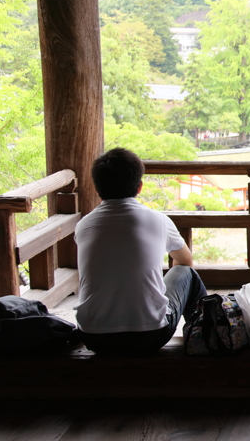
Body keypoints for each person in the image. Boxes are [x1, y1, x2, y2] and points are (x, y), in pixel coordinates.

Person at [74, 148, 206, 355]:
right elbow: (185, 261)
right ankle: (203, 337)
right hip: (150, 335)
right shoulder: (158, 220)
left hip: (94, 337)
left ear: (97, 189)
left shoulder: (84, 225)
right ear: (140, 186)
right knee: (186, 274)